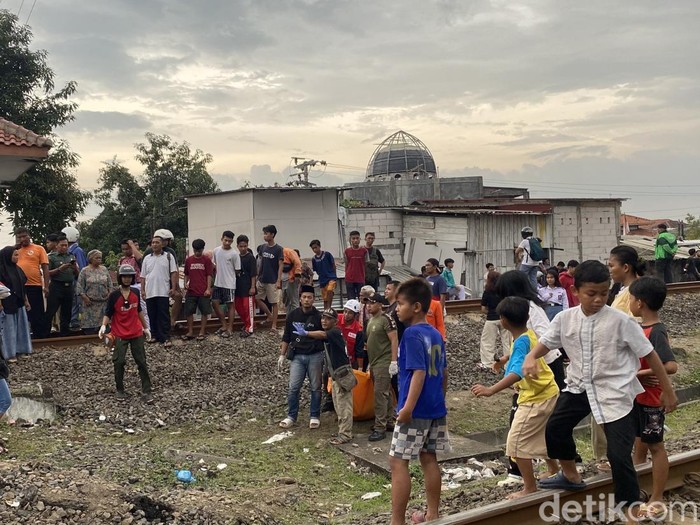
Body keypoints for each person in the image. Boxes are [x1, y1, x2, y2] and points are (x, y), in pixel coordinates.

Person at [523, 261, 678, 521]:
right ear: (575, 291)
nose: (598, 299)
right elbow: (546, 343)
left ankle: (629, 507)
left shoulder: (621, 321)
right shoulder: (564, 318)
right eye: (591, 294)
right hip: (579, 387)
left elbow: (650, 355)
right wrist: (530, 357)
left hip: (614, 391)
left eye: (604, 294)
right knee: (555, 428)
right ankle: (571, 474)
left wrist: (669, 391)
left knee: (618, 455)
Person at [472, 297, 559, 499]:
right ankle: (553, 469)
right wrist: (504, 359)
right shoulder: (526, 335)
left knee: (516, 443)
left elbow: (517, 373)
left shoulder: (520, 341)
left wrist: (490, 390)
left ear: (503, 320)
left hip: (536, 398)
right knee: (543, 435)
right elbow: (519, 356)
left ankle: (529, 487)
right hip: (547, 391)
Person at [389, 278, 449, 525]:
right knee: (428, 457)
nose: (396, 309)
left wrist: (407, 409)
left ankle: (397, 521)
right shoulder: (434, 334)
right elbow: (444, 372)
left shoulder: (411, 335)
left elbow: (418, 372)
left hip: (414, 410)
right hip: (435, 407)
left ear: (415, 307)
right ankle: (432, 513)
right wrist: (440, 400)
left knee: (397, 461)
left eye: (400, 304)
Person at [628, 277, 678, 520]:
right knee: (639, 444)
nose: (629, 302)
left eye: (630, 298)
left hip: (651, 400)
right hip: (638, 398)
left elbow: (670, 366)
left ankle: (657, 496)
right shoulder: (640, 328)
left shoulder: (656, 331)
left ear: (640, 303)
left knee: (656, 446)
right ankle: (638, 490)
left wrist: (640, 373)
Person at [297, 308, 355, 444]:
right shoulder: (332, 332)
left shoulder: (334, 332)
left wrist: (306, 333)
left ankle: (346, 434)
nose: (324, 320)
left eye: (328, 318)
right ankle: (343, 431)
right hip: (336, 374)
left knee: (343, 406)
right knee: (338, 404)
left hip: (342, 374)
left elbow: (322, 335)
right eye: (323, 318)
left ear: (335, 321)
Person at [100, 264, 153, 403]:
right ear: (120, 277)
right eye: (124, 276)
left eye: (130, 276)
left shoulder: (135, 293)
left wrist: (145, 328)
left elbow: (139, 311)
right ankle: (120, 389)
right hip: (120, 333)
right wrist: (103, 326)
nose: (127, 279)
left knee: (141, 361)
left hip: (136, 332)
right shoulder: (114, 295)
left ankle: (147, 390)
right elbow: (108, 312)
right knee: (119, 361)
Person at [278, 285, 324, 429]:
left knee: (316, 387)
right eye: (304, 297)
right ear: (300, 299)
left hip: (315, 355)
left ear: (314, 299)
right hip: (297, 356)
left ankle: (314, 415)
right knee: (293, 387)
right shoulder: (292, 315)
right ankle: (291, 415)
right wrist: (282, 355)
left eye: (309, 297)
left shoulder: (319, 316)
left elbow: (325, 335)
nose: (306, 300)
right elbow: (286, 336)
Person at [365, 292, 398, 442]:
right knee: (386, 393)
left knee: (380, 394)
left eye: (372, 303)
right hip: (374, 362)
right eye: (367, 303)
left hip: (384, 362)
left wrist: (393, 361)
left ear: (380, 304)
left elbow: (394, 340)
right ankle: (389, 420)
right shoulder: (371, 320)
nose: (369, 305)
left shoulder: (386, 319)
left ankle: (380, 427)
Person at [140, 236, 178, 347]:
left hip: (163, 291)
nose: (155, 244)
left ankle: (165, 337)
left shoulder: (168, 257)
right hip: (150, 291)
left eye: (157, 242)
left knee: (164, 315)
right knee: (152, 314)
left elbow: (173, 273)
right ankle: (155, 335)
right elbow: (143, 276)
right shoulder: (147, 258)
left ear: (162, 244)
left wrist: (174, 288)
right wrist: (142, 290)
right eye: (153, 242)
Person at [15, 227, 49, 339]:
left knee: (37, 312)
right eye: (19, 237)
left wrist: (46, 286)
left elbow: (45, 268)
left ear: (29, 236)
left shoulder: (38, 249)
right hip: (19, 286)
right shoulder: (15, 251)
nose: (22, 239)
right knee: (21, 312)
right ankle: (23, 338)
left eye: (24, 236)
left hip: (34, 285)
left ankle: (40, 337)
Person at [0, 246, 33, 361]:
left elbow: (22, 286)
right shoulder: (1, 270)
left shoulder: (18, 269)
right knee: (9, 329)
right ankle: (9, 353)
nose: (17, 257)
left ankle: (22, 349)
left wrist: (26, 300)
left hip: (19, 303)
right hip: (6, 304)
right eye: (15, 255)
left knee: (21, 327)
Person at [45, 236, 79, 337]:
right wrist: (59, 269)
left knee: (66, 312)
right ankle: (46, 333)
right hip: (56, 286)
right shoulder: (51, 257)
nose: (64, 247)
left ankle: (64, 333)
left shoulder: (71, 256)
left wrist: (74, 268)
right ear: (57, 245)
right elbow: (47, 273)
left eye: (66, 245)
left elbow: (77, 274)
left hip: (69, 287)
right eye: (62, 245)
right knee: (51, 311)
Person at [211, 231, 241, 338]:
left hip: (229, 284)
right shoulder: (216, 251)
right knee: (215, 303)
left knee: (230, 306)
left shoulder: (234, 254)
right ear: (222, 239)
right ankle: (224, 325)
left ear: (232, 241)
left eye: (229, 241)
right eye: (225, 240)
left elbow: (237, 270)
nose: (227, 243)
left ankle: (230, 328)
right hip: (218, 282)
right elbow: (214, 264)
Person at [76, 250, 113, 335]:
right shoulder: (84, 271)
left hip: (103, 302)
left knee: (105, 328)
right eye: (97, 258)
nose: (99, 259)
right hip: (90, 303)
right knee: (90, 331)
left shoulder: (104, 269)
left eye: (100, 258)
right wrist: (84, 297)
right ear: (91, 259)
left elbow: (110, 283)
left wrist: (110, 293)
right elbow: (79, 286)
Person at [479, 270, 511, 369]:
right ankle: (508, 364)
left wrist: (490, 312)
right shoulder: (505, 290)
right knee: (507, 342)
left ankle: (488, 363)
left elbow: (483, 308)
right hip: (505, 317)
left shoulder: (487, 291)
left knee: (487, 341)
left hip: (491, 319)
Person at [183, 239, 214, 341]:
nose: (197, 252)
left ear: (202, 249)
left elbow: (209, 275)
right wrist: (185, 284)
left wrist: (208, 288)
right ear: (193, 249)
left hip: (203, 290)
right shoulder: (189, 260)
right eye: (196, 250)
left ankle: (202, 331)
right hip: (191, 290)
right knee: (189, 311)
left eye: (199, 250)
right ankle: (190, 331)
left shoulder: (206, 260)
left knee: (204, 312)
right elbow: (186, 274)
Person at [255, 225, 283, 330]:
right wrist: (257, 276)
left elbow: (281, 265)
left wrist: (278, 280)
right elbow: (260, 263)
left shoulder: (278, 249)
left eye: (266, 233)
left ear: (272, 234)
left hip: (272, 280)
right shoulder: (262, 247)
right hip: (262, 279)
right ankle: (269, 315)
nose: (264, 236)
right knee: (257, 299)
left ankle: (274, 325)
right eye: (264, 233)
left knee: (273, 302)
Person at [61, 226, 87, 332]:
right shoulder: (72, 250)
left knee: (77, 301)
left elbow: (81, 268)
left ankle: (75, 322)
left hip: (77, 281)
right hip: (72, 281)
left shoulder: (77, 251)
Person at [119, 239, 149, 330]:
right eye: (123, 249)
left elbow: (141, 259)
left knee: (142, 308)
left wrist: (132, 245)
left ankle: (147, 328)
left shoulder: (135, 257)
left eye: (127, 249)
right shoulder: (122, 260)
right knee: (129, 308)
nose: (125, 251)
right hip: (126, 287)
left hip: (138, 284)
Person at [235, 235, 257, 338]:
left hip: (248, 287)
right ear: (237, 246)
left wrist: (253, 287)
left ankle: (250, 327)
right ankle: (246, 324)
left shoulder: (251, 258)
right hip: (238, 287)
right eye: (241, 246)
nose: (243, 248)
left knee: (248, 308)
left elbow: (253, 274)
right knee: (239, 308)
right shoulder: (236, 257)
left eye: (245, 246)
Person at [310, 240, 337, 310]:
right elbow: (316, 270)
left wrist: (335, 276)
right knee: (325, 298)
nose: (314, 250)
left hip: (331, 277)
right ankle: (325, 311)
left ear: (319, 246)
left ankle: (329, 308)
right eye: (313, 248)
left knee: (330, 290)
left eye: (316, 247)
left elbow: (333, 265)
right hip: (322, 279)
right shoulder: (314, 259)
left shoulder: (327, 254)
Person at [337, 299, 364, 369]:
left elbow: (359, 350)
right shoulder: (336, 319)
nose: (346, 314)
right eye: (345, 311)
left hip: (350, 361)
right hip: (335, 359)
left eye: (350, 313)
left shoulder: (358, 329)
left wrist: (360, 367)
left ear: (356, 315)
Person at [344, 231, 368, 300]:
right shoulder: (346, 251)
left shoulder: (364, 251)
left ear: (360, 239)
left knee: (362, 299)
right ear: (350, 239)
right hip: (349, 279)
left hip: (360, 279)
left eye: (357, 238)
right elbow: (346, 264)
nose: (355, 240)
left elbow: (366, 264)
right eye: (353, 238)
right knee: (351, 299)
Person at [515, 226, 540, 290]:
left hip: (527, 263)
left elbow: (517, 251)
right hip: (536, 263)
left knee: (521, 277)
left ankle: (520, 290)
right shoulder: (536, 240)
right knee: (533, 278)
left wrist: (518, 258)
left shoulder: (525, 241)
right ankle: (534, 291)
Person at [281, 247, 302, 312]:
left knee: (294, 301)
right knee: (287, 302)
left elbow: (297, 262)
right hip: (283, 281)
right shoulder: (275, 255)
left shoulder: (288, 251)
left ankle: (296, 319)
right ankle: (289, 319)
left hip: (291, 279)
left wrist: (297, 274)